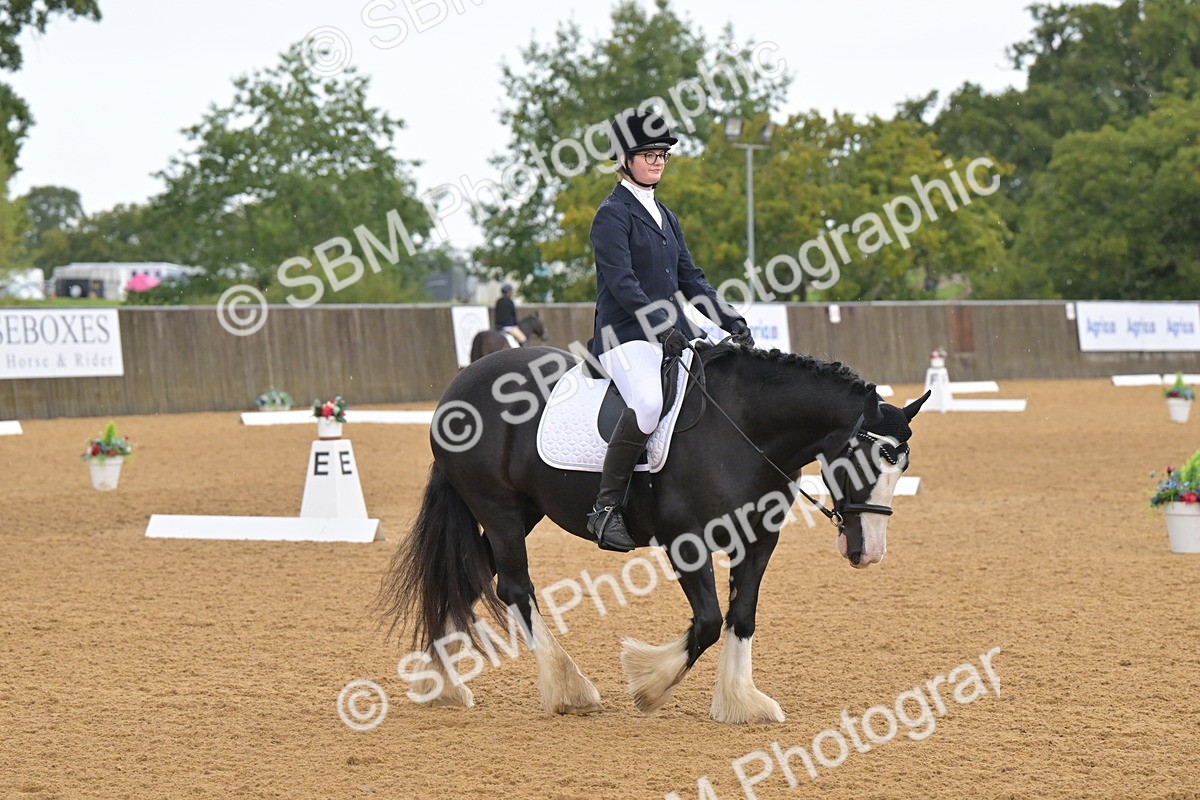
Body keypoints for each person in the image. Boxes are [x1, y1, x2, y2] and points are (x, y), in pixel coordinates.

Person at [586, 108, 753, 552]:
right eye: (648, 154)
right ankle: (606, 509)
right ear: (624, 159)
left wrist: (729, 320)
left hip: (669, 332)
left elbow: (691, 279)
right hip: (623, 334)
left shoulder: (665, 215)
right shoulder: (611, 215)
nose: (658, 161)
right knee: (646, 402)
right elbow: (622, 284)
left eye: (662, 154)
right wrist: (660, 324)